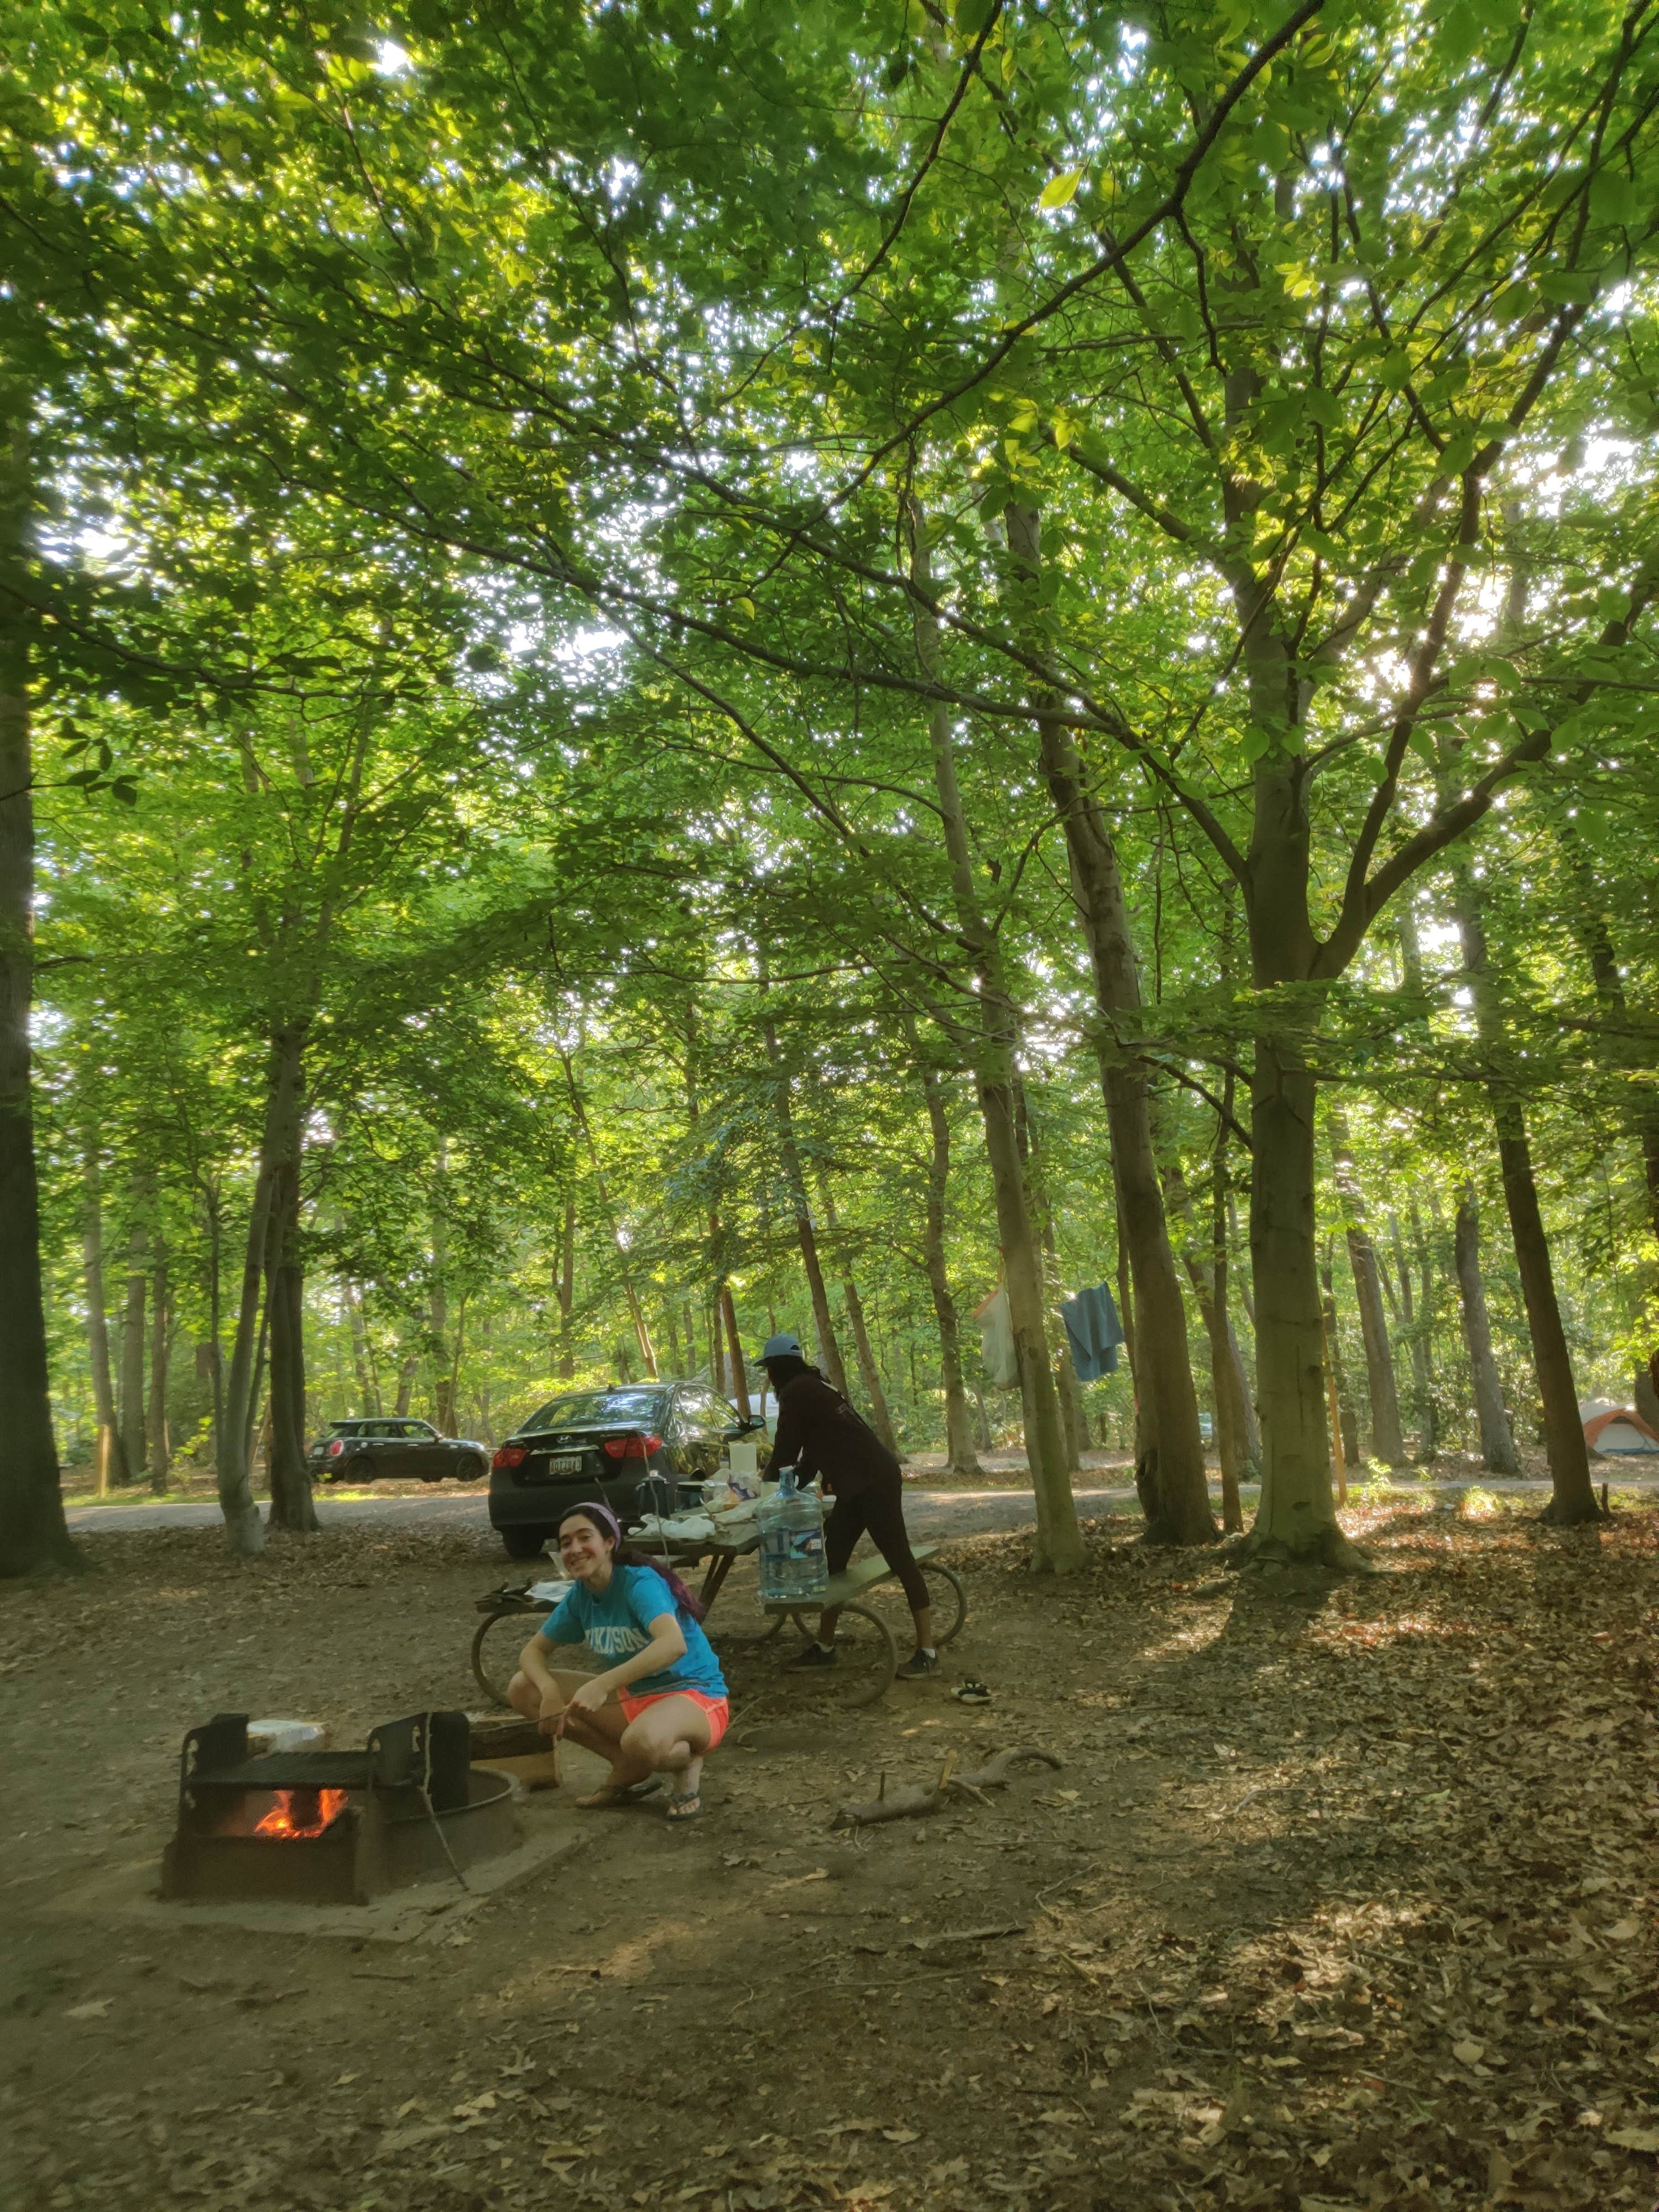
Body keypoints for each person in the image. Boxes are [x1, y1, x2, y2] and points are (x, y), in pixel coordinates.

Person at [507, 1499, 728, 1822]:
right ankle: (627, 1765)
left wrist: (604, 1683)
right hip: (634, 1697)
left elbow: (673, 1644)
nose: (575, 1549)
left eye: (585, 1537)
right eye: (566, 1543)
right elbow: (532, 1652)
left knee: (641, 1741)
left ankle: (686, 1762)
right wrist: (550, 1691)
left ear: (610, 1542)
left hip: (694, 1693)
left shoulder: (639, 1582)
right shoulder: (581, 1594)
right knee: (523, 1688)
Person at [755, 1332, 937, 1677]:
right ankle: (825, 1647)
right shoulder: (816, 1386)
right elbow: (810, 1459)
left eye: (768, 1369)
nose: (768, 1376)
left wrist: (763, 1496)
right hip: (859, 1484)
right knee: (833, 1559)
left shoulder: (796, 1393)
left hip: (873, 1483)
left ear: (776, 1368)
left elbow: (784, 1455)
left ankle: (927, 1652)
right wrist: (784, 1490)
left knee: (900, 1558)